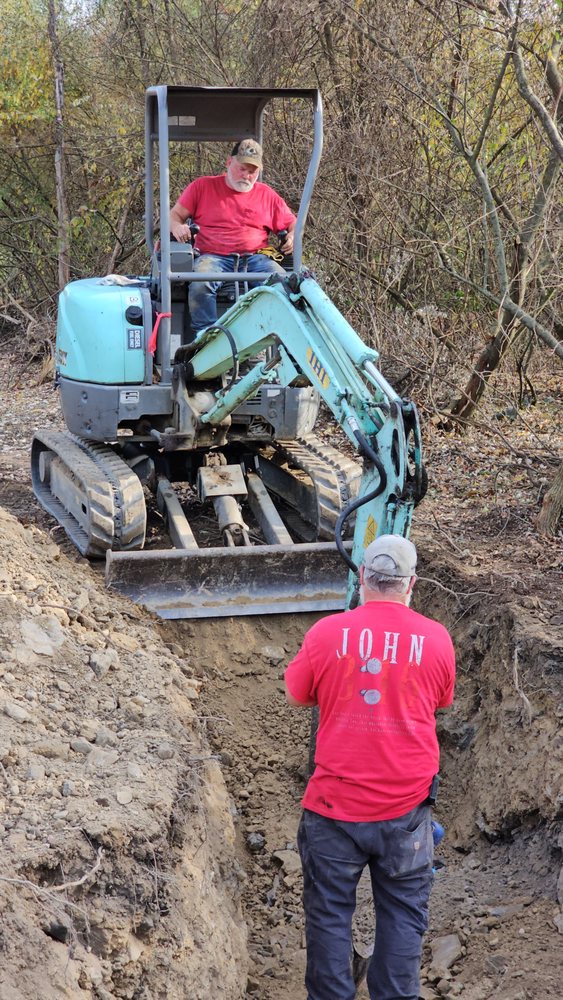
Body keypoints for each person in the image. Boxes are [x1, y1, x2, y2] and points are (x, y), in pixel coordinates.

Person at [284, 534, 456, 1000]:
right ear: (410, 584)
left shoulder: (325, 633)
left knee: (329, 913)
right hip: (406, 813)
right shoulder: (437, 639)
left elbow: (297, 694)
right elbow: (440, 700)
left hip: (334, 809)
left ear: (363, 577)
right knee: (402, 915)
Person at [169, 138, 296, 333]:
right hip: (213, 257)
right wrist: (176, 226)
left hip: (255, 258)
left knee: (282, 286)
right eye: (241, 168)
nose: (246, 175)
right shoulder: (202, 187)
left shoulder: (267, 195)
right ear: (229, 162)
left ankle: (272, 336)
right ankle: (206, 338)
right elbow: (173, 215)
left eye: (252, 171)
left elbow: (293, 223)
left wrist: (293, 236)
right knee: (200, 284)